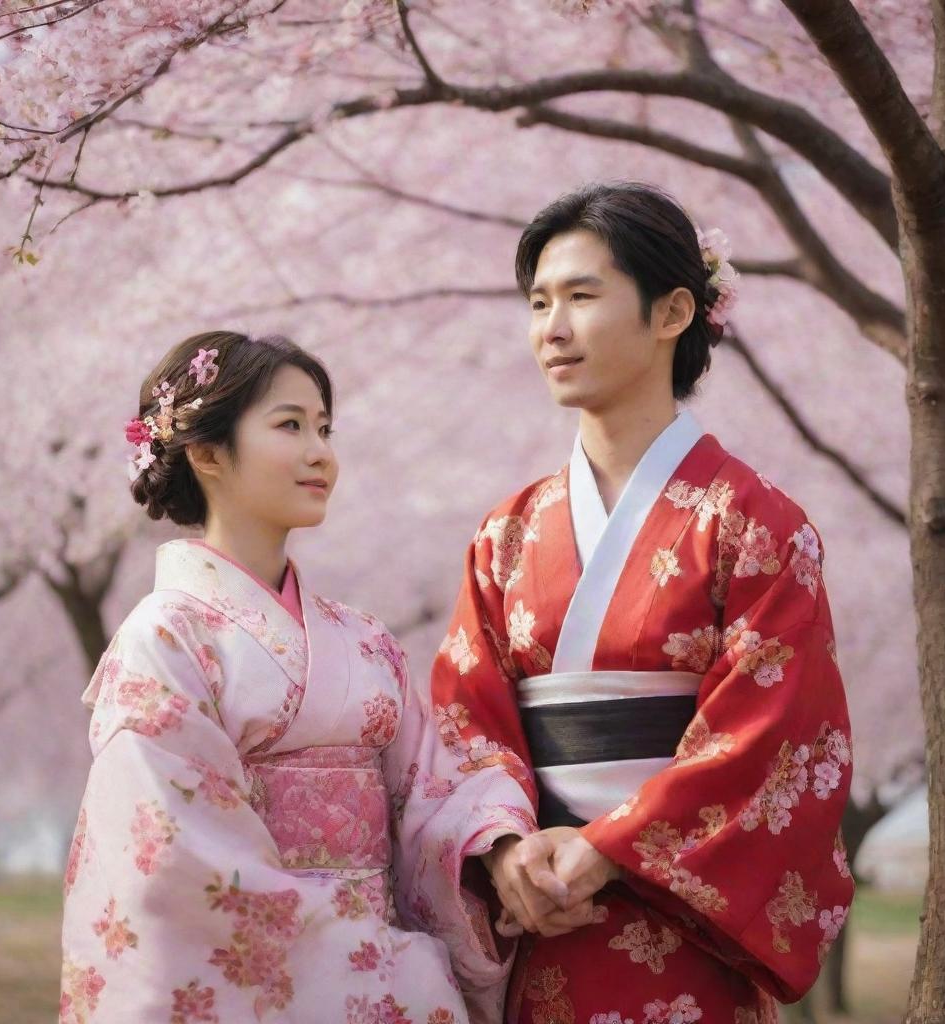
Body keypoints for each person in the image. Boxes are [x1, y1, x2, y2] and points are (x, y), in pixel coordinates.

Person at [430, 183, 855, 1024]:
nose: (551, 329)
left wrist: (605, 851)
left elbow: (767, 735)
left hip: (678, 926)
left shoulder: (757, 524)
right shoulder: (506, 533)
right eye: (539, 302)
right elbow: (462, 717)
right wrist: (508, 848)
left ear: (671, 314)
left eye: (582, 298)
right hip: (542, 915)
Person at [60, 332, 528, 1024]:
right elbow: (178, 857)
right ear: (208, 452)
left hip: (389, 963)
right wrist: (381, 966)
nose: (322, 453)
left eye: (325, 428)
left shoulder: (366, 640)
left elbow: (433, 789)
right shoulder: (163, 639)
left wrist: (499, 843)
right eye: (290, 426)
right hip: (312, 985)